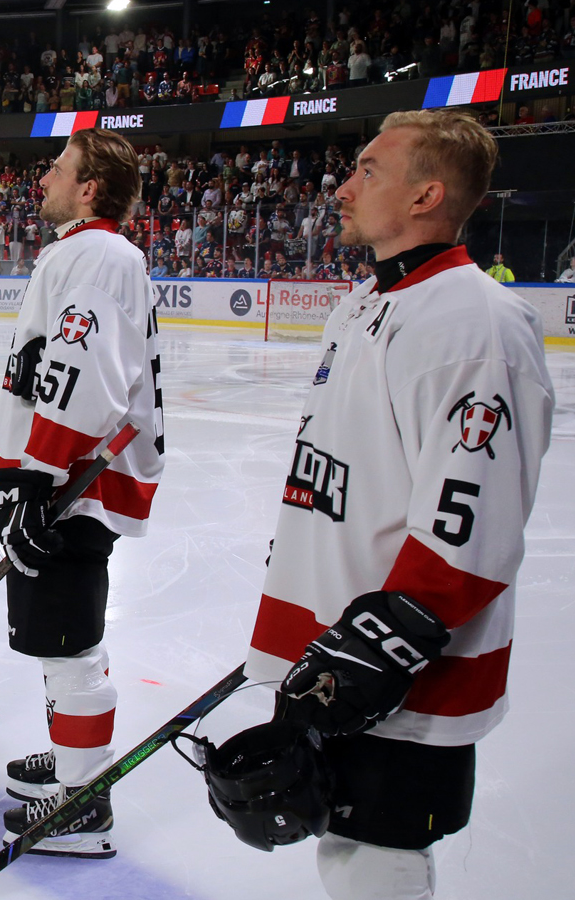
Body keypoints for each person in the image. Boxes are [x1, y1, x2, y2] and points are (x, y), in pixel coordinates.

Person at [233, 110, 554, 900]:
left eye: (369, 171)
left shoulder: (476, 323)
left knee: (377, 850)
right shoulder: (364, 305)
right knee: (344, 843)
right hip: (335, 646)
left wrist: (378, 641)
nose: (343, 187)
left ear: (426, 196)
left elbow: (472, 515)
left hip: (394, 664)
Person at [0, 128, 164, 857]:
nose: (45, 177)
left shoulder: (98, 255)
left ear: (90, 188)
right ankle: (71, 766)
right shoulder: (84, 251)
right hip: (63, 474)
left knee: (72, 638)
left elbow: (84, 373)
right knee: (61, 637)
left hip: (74, 480)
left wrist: (36, 477)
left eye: (59, 168)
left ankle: (85, 802)